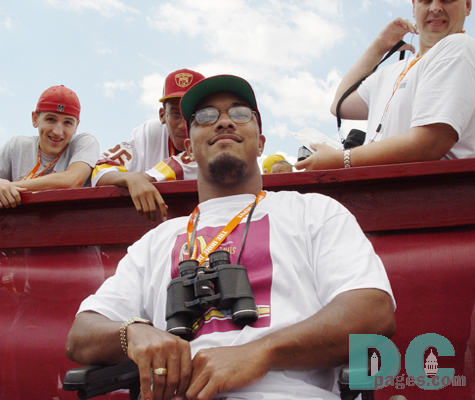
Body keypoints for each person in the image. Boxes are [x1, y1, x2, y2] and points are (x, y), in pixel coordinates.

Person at [65, 75, 396, 400]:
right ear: (188, 149)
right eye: (206, 116)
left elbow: (374, 312)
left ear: (261, 142)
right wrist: (133, 333)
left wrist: (260, 353)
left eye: (239, 113)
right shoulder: (156, 241)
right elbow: (81, 335)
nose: (224, 122)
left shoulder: (315, 213)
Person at [295, 0, 475, 171]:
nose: (435, 8)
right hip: (387, 190)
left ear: (467, 5)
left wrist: (340, 159)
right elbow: (339, 105)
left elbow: (430, 144)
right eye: (426, 1)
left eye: (447, 0)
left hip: (432, 191)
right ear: (414, 7)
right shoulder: (393, 70)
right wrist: (380, 45)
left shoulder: (459, 47)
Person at [92, 69, 204, 221]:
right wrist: (131, 178)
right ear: (162, 116)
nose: (183, 125)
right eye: (175, 114)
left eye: (191, 115)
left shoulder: (217, 135)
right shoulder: (151, 131)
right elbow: (101, 168)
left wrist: (144, 177)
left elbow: (185, 165)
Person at [0, 85, 100, 209]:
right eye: (51, 119)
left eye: (67, 122)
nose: (58, 131)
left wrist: (9, 187)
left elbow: (73, 180)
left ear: (76, 126)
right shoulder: (16, 145)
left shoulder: (84, 142)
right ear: (35, 119)